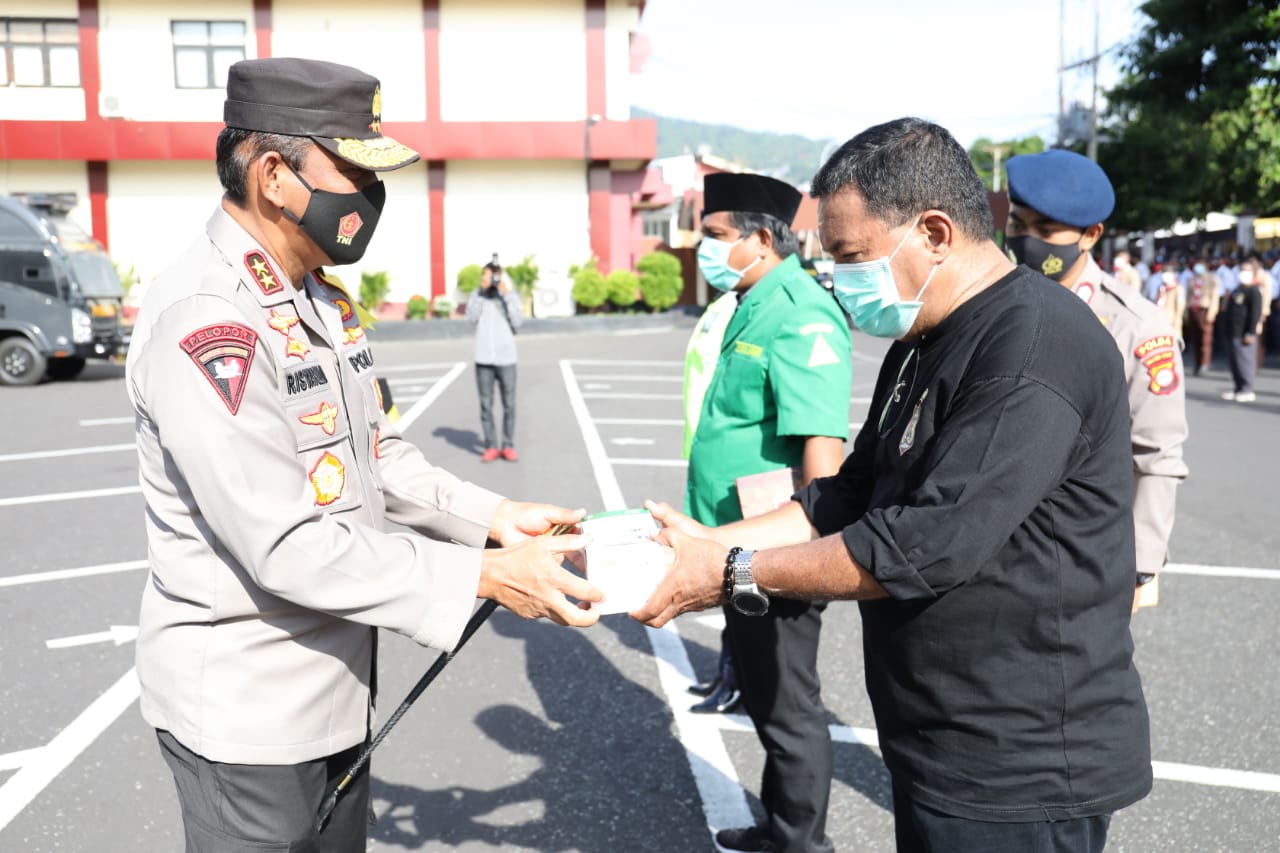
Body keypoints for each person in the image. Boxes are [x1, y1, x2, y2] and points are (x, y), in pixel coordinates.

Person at [634, 117, 1152, 853]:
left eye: (851, 256)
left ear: (934, 233)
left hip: (1021, 764)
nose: (842, 281)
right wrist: (710, 542)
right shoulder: (924, 337)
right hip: (940, 737)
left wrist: (731, 572)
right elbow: (846, 493)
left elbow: (923, 545)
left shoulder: (1033, 348)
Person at [125, 58, 601, 852]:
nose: (367, 196)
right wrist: (483, 576)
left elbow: (376, 458)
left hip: (331, 694)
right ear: (273, 175)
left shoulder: (319, 300)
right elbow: (281, 544)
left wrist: (496, 520)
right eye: (350, 171)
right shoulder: (212, 321)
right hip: (249, 718)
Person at [690, 172, 853, 853]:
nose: (703, 249)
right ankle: (780, 822)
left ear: (761, 238)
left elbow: (821, 452)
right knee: (762, 693)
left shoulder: (801, 312)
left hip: (774, 549)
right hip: (735, 545)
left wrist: (807, 563)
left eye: (715, 237)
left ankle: (802, 842)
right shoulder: (750, 298)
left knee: (788, 706)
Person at [1004, 148, 1189, 609]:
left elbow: (1157, 453)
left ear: (1090, 235)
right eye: (1016, 224)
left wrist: (1140, 565)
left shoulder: (1135, 327)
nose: (1027, 241)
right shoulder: (997, 304)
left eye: (1045, 231)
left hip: (1079, 553)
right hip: (994, 541)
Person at [681, 286, 745, 715]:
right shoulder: (724, 304)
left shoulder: (763, 307)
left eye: (718, 235)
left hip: (741, 489)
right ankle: (726, 675)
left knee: (740, 594)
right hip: (711, 476)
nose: (708, 249)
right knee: (728, 597)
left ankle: (736, 683)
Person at [467, 256, 522, 462]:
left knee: (509, 403)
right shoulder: (477, 295)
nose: (488, 280)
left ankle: (507, 445)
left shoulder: (508, 296)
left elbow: (518, 322)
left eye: (491, 277)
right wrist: (481, 293)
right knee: (486, 404)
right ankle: (491, 445)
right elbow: (471, 318)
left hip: (506, 357)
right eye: (485, 277)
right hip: (483, 359)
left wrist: (505, 295)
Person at [1222, 256, 1265, 402]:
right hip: (1233, 332)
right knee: (1235, 362)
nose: (1243, 273)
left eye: (1246, 271)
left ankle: (1247, 389)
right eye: (1241, 270)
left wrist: (1251, 332)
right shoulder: (1237, 289)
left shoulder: (1254, 291)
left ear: (1253, 273)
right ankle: (1238, 387)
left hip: (1244, 332)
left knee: (1245, 361)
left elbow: (1255, 314)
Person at [1184, 256, 1221, 375]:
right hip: (1193, 309)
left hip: (1204, 309)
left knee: (1205, 340)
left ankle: (1204, 363)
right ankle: (1197, 362)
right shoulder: (1191, 279)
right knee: (1195, 339)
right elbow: (1187, 296)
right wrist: (1186, 312)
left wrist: (1211, 313)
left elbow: (1215, 297)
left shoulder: (1212, 278)